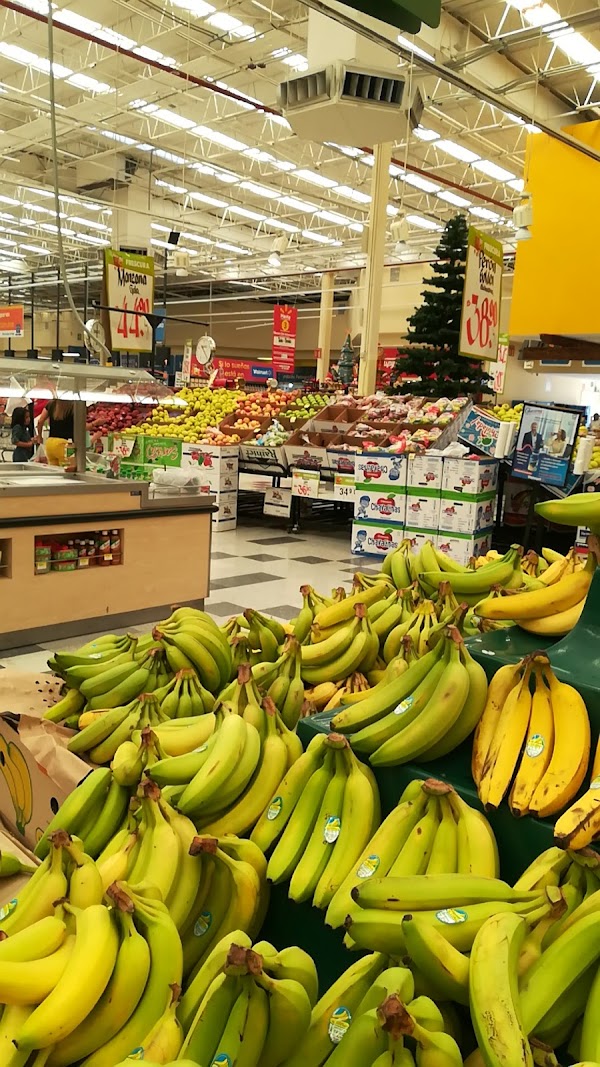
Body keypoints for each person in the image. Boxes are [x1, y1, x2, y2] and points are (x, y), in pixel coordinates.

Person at [37, 399, 75, 466]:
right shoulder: (74, 405)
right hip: (65, 444)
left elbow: (40, 421)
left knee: (54, 471)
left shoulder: (51, 403)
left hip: (50, 443)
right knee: (67, 469)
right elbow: (82, 426)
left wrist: (39, 436)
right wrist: (94, 423)